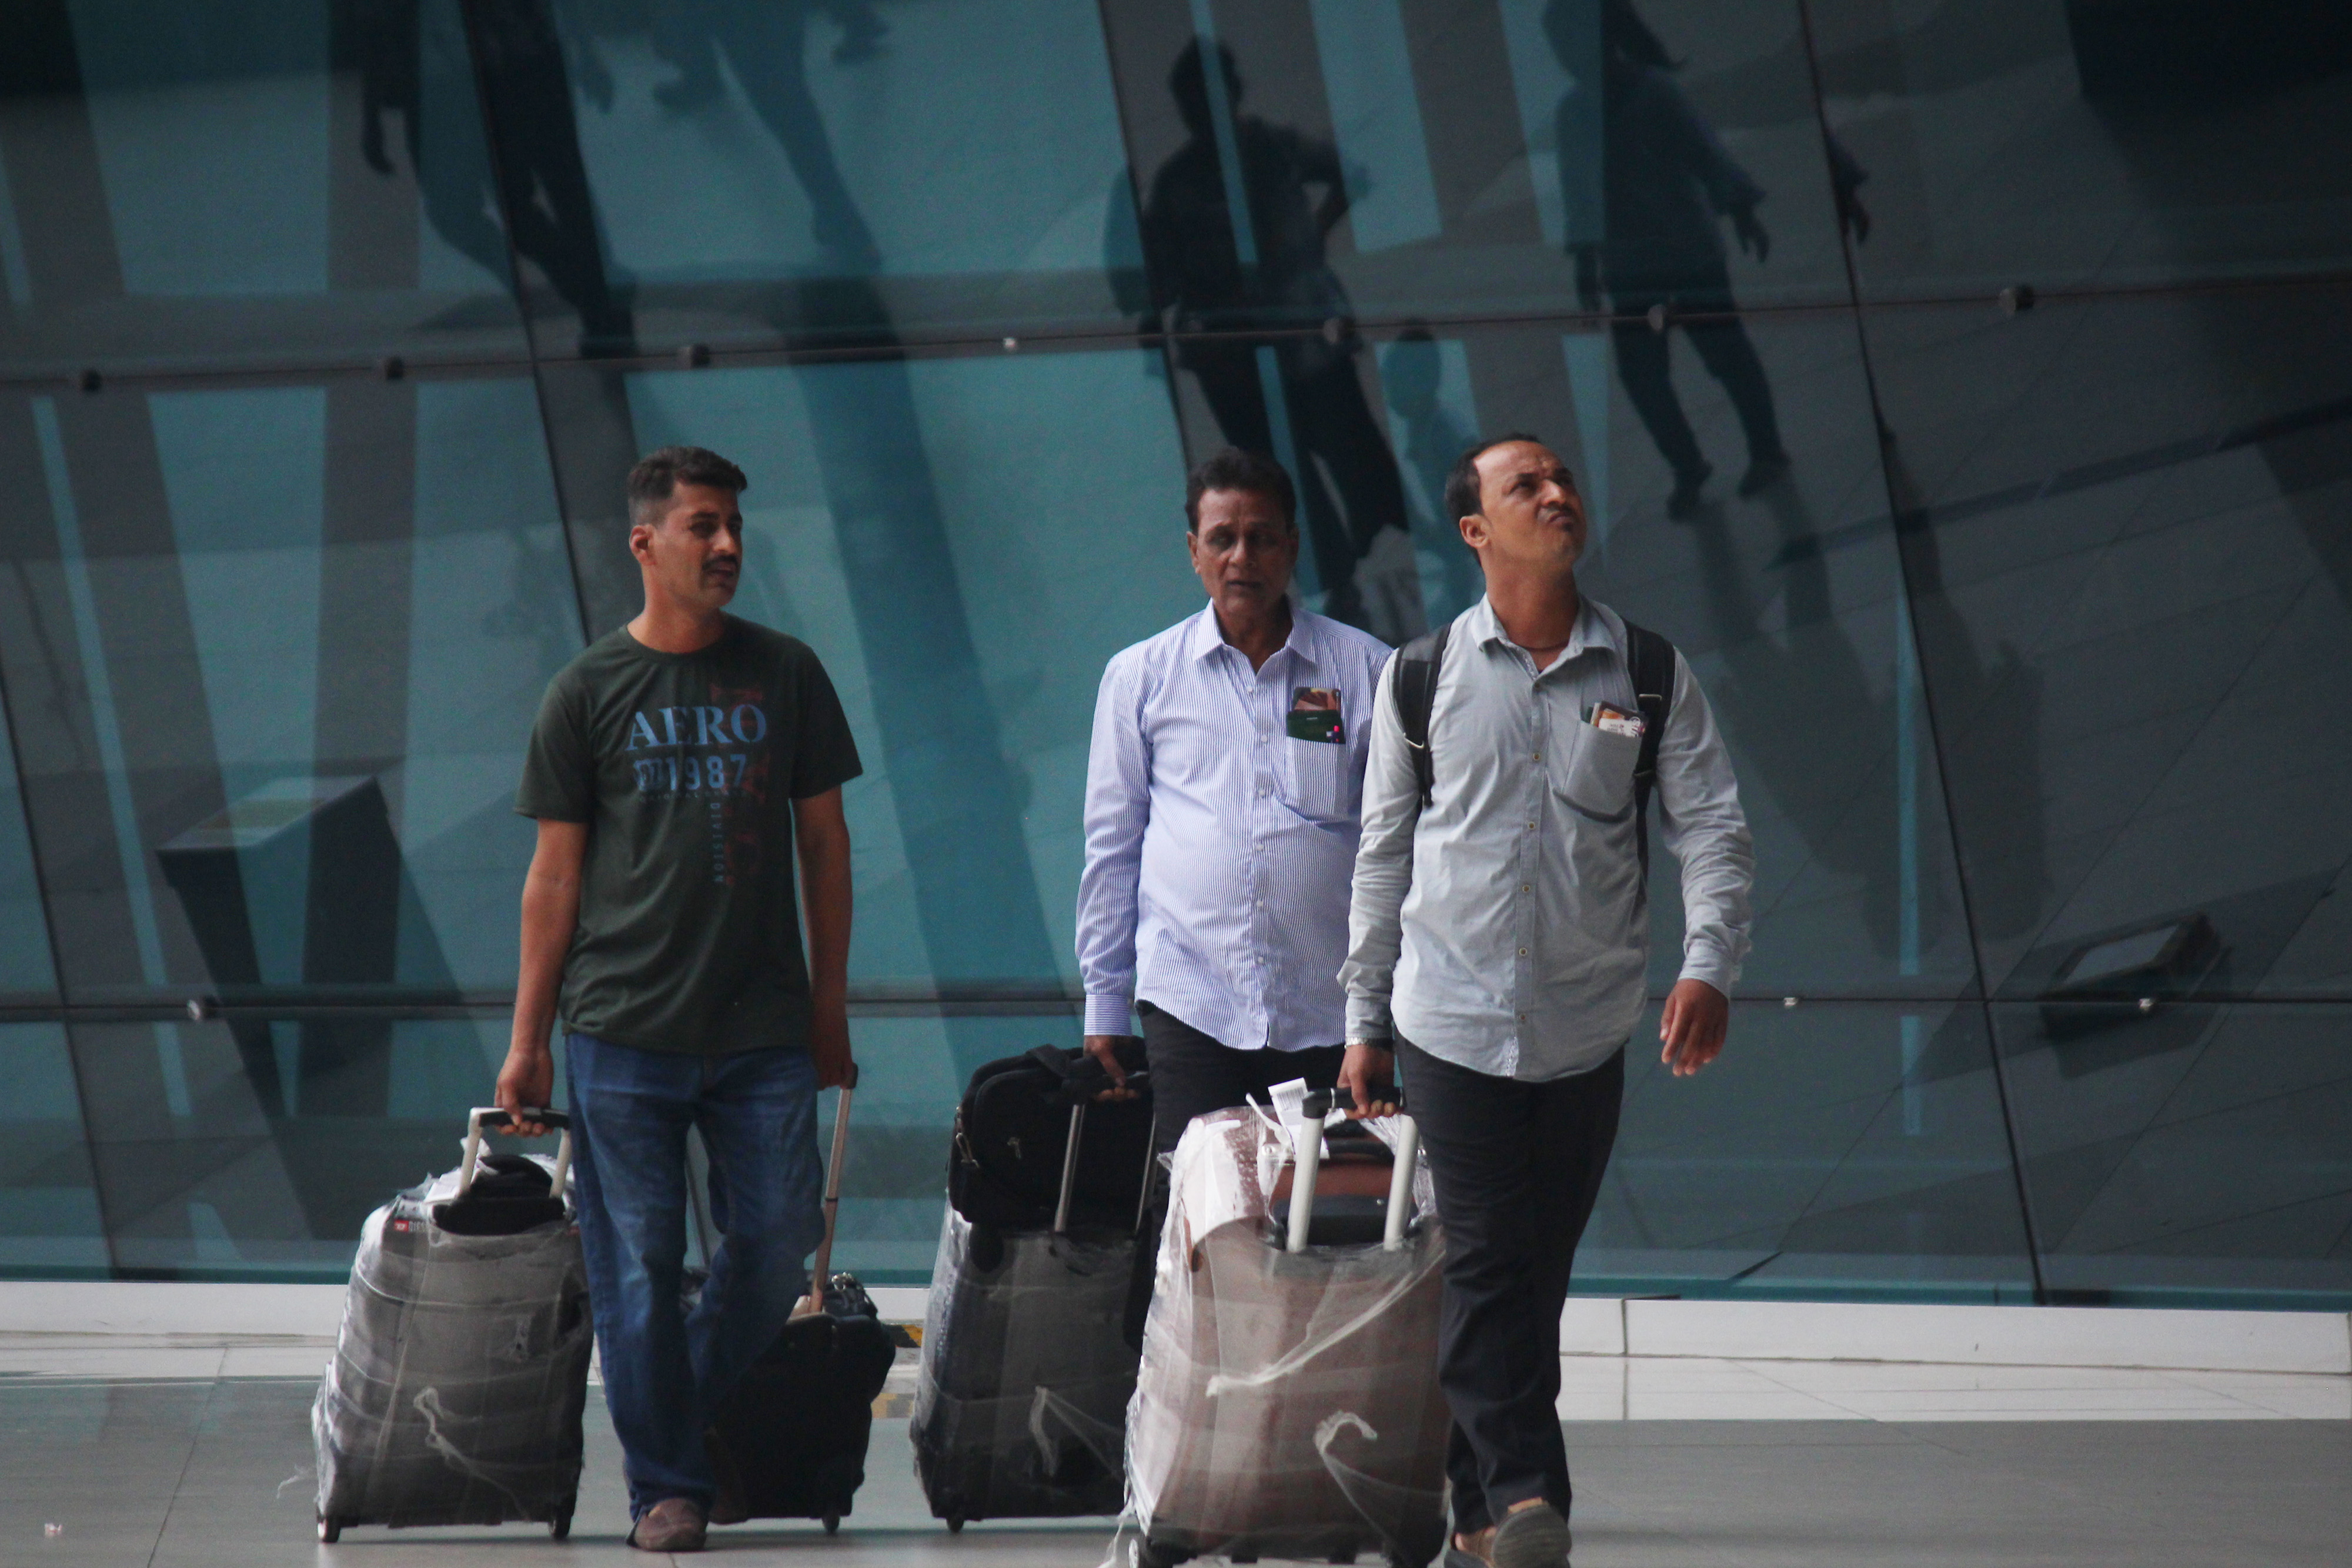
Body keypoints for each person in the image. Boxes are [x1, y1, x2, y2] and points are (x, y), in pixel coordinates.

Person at [1339, 435, 1753, 1568]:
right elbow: (1383, 857)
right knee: (1482, 1257)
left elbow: (1711, 827)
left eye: (1564, 477)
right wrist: (1364, 1020)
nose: (1557, 493)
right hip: (1452, 1023)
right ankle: (1527, 1498)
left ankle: (1473, 1509)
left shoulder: (1649, 674)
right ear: (1476, 530)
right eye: (1526, 484)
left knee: (1538, 1270)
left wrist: (1708, 963)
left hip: (1583, 1030)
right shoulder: (1419, 677)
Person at [495, 447, 863, 1552]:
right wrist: (526, 1042)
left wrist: (829, 1008)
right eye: (703, 526)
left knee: (781, 1234)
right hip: (621, 1031)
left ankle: (681, 1426)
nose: (729, 545)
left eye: (735, 525)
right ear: (645, 542)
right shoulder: (588, 692)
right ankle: (668, 1485)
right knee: (640, 1267)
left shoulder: (787, 673)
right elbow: (553, 877)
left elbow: (824, 846)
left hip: (760, 1028)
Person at [1074, 447, 1392, 1328]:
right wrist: (1105, 1001)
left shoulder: (1368, 672)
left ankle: (1309, 1428)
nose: (1241, 557)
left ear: (1292, 546)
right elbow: (1112, 846)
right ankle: (1171, 1442)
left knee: (1334, 1239)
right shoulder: (1140, 678)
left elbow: (1397, 849)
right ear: (1193, 551)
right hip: (1193, 1005)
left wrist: (1385, 1012)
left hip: (1333, 1015)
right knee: (1190, 1232)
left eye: (1260, 537)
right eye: (1222, 539)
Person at [1128, 41, 1416, 638]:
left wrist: (1308, 241)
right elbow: (1161, 273)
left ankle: (1396, 545)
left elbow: (1346, 175)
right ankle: (1340, 584)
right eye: (1191, 105)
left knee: (1348, 446)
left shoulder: (1273, 144)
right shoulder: (1179, 182)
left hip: (1301, 335)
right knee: (1281, 478)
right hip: (1234, 357)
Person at [1555, 0, 1787, 517]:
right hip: (1631, 267)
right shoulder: (1575, 115)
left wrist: (1742, 209)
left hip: (1686, 253)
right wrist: (1585, 262)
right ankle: (1688, 463)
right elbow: (1580, 197)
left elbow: (1706, 156)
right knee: (1642, 377)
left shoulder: (1654, 93)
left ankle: (1766, 449)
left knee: (1726, 356)